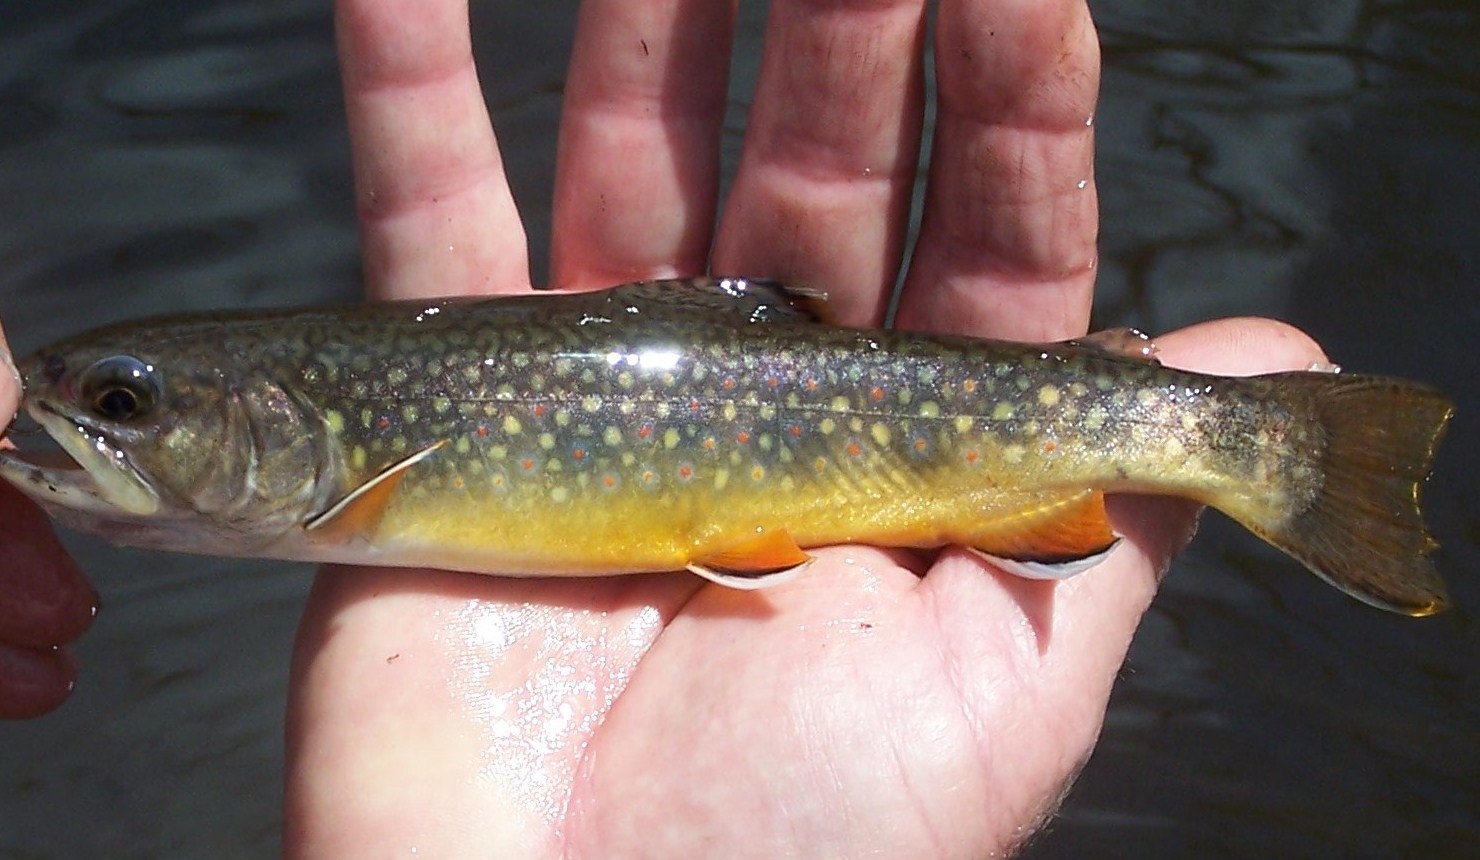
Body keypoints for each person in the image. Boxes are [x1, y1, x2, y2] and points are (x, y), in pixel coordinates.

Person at [0, 0, 1331, 855]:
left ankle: (1289, 456)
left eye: (121, 405)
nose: (88, 426)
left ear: (285, 421)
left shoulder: (355, 480)